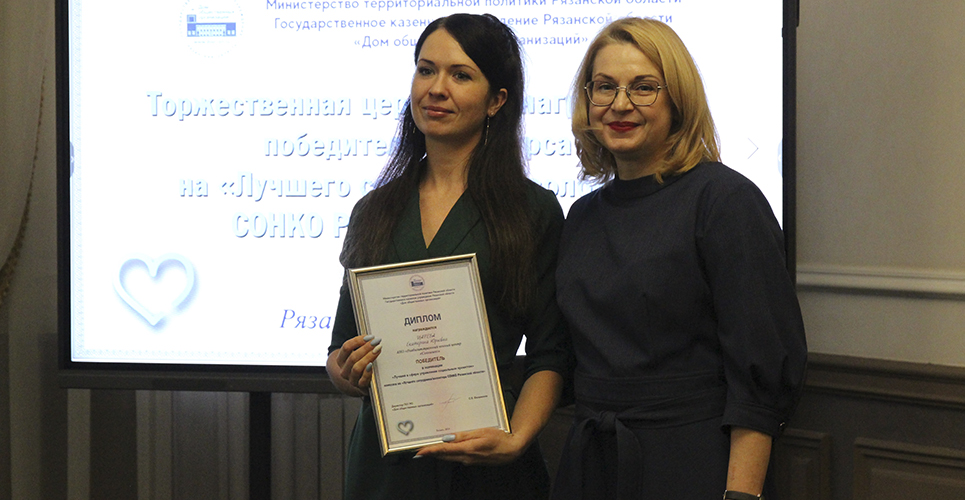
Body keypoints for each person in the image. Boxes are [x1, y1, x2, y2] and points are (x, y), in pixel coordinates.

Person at [551, 17, 807, 500]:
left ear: (678, 100)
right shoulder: (581, 216)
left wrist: (741, 496)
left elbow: (760, 375)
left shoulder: (725, 201)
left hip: (692, 462)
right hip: (590, 462)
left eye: (643, 87)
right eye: (604, 87)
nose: (620, 104)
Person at [326, 13, 570, 500]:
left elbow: (552, 354)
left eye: (460, 75)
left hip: (489, 464)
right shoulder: (374, 210)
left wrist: (516, 439)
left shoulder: (532, 210)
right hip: (386, 470)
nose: (436, 89)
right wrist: (346, 370)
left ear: (497, 100)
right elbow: (339, 352)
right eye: (426, 70)